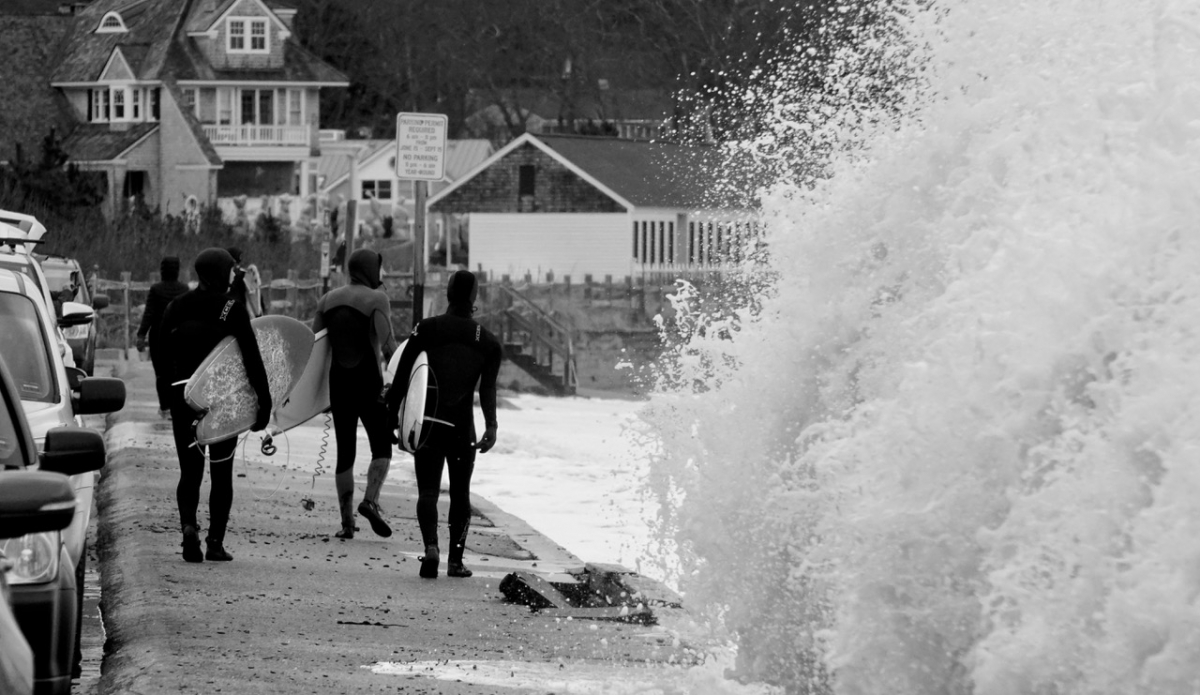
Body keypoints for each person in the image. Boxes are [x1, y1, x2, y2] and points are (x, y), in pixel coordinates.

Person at [386, 270, 500, 579]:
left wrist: (392, 416)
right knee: (461, 494)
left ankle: (432, 548)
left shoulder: (427, 329)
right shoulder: (488, 342)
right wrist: (492, 426)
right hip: (463, 427)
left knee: (428, 492)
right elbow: (487, 389)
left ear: (448, 293)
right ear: (474, 297)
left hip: (429, 423)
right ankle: (456, 562)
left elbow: (402, 377)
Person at [159, 248, 272, 563]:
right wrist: (263, 400)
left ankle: (188, 528)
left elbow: (161, 350)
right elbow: (251, 356)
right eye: (229, 270)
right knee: (222, 473)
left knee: (190, 470)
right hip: (222, 401)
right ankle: (215, 543)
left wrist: (167, 389)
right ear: (220, 273)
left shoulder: (176, 306)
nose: (232, 274)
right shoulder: (231, 307)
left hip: (184, 398)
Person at [311, 249, 398, 539]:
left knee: (344, 451)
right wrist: (401, 385)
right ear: (371, 270)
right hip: (369, 382)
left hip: (339, 384)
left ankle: (347, 523)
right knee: (382, 446)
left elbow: (316, 351)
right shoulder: (377, 299)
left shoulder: (326, 300)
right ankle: (370, 501)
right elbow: (388, 347)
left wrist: (317, 397)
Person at [135, 256, 189, 418]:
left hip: (159, 336)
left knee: (161, 373)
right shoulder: (184, 289)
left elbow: (149, 314)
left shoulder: (156, 290)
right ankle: (177, 405)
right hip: (179, 336)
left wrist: (141, 335)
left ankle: (165, 407)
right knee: (177, 372)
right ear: (177, 271)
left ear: (162, 271)